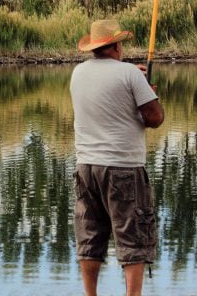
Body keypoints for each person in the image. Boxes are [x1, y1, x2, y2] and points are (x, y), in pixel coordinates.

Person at [69, 19, 165, 296]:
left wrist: (133, 84)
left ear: (96, 47)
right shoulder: (131, 75)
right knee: (132, 235)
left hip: (86, 167)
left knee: (89, 233)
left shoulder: (78, 73)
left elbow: (108, 96)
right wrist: (146, 94)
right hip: (123, 167)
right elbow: (154, 118)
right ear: (116, 46)